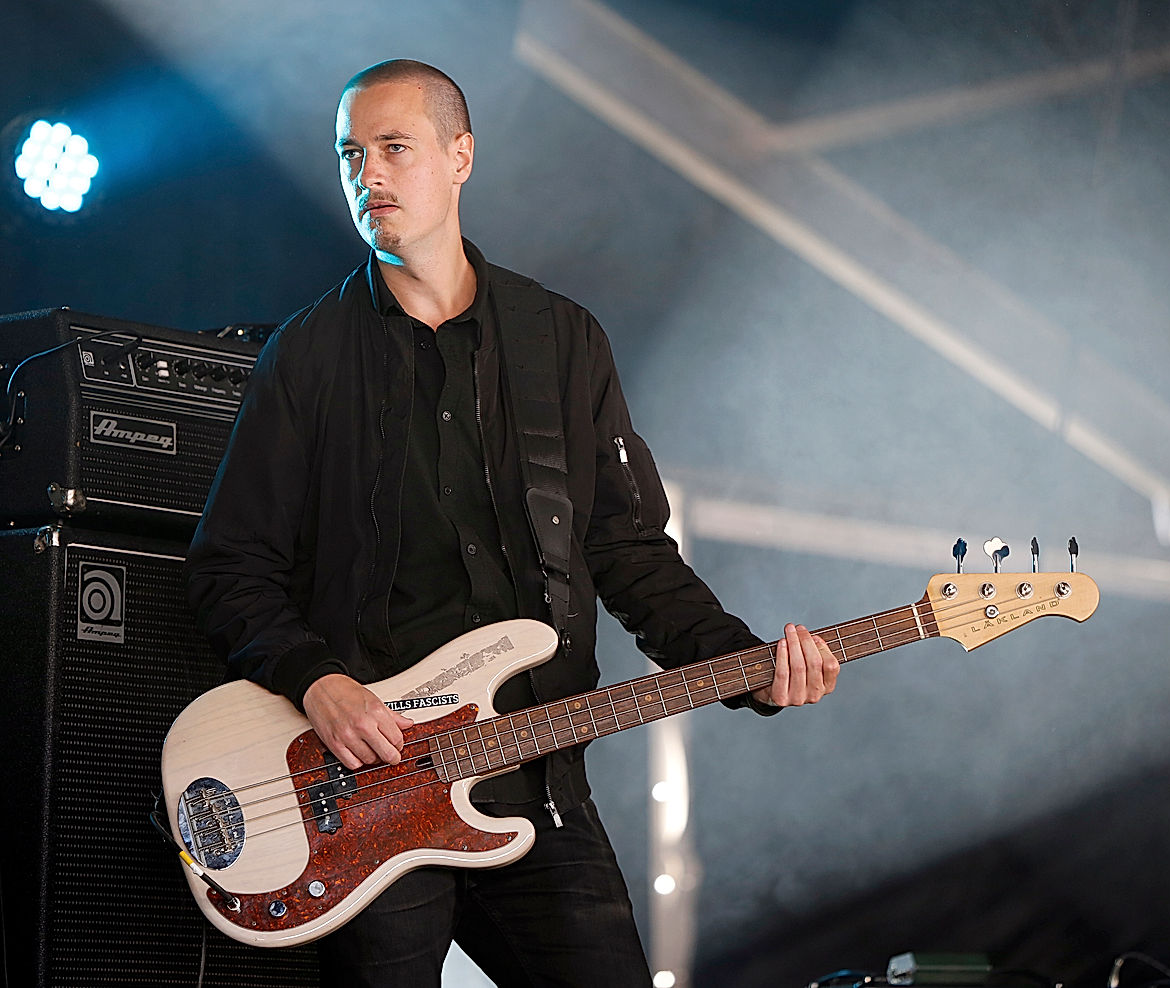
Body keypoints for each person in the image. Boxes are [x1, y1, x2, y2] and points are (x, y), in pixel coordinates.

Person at [185, 59, 839, 988]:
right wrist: (316, 678)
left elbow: (627, 552)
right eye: (350, 154)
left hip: (541, 790)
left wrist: (748, 669)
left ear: (461, 157)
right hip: (368, 803)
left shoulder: (562, 340)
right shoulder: (309, 354)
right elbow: (227, 569)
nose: (368, 175)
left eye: (395, 148)